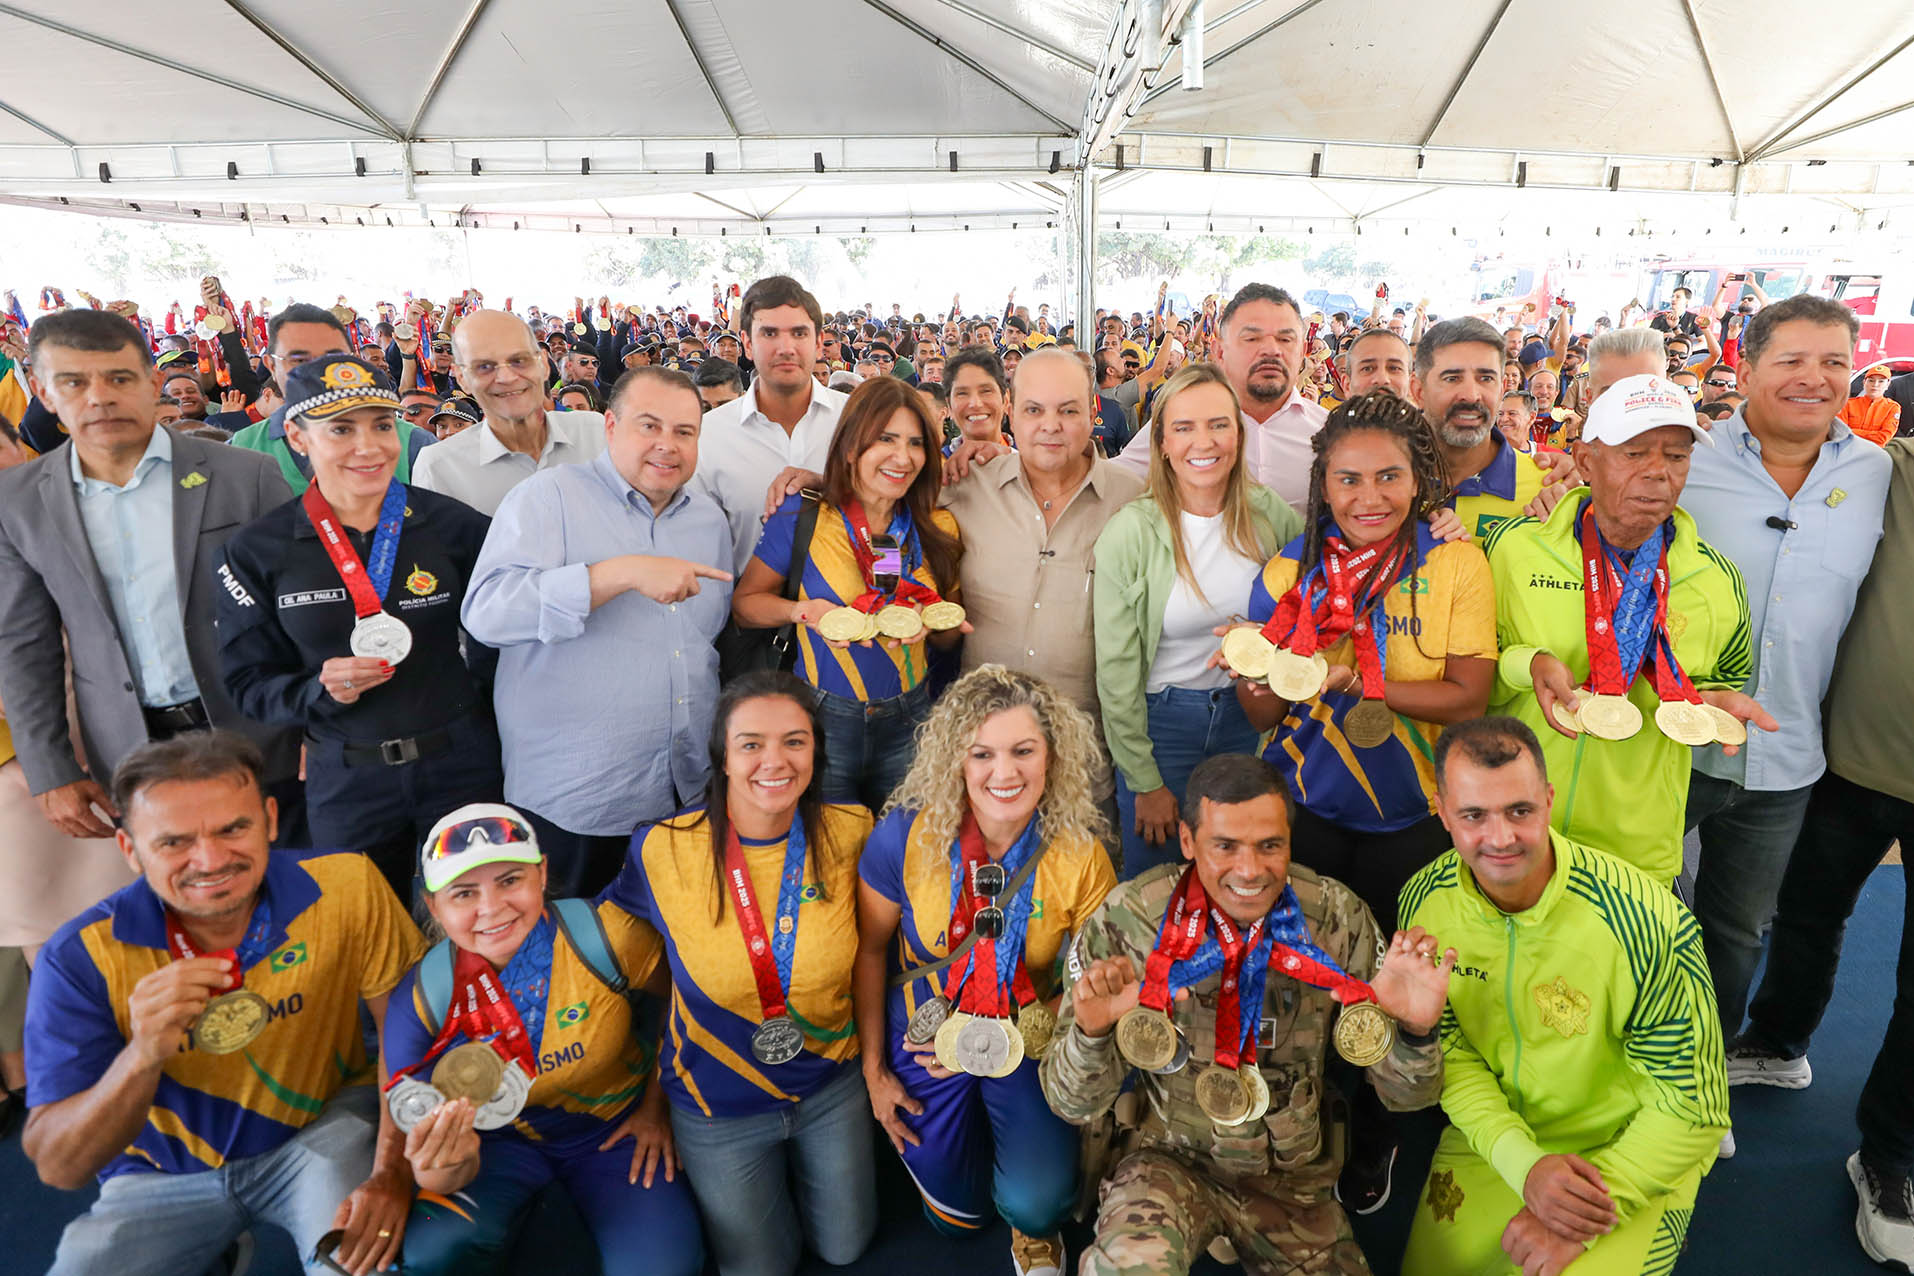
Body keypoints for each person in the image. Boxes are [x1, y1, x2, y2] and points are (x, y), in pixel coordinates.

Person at [22, 731, 425, 1276]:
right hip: (162, 1175)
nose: (210, 860)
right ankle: (210, 1246)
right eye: (174, 842)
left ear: (270, 820)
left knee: (364, 1268)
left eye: (233, 829)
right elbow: (59, 1167)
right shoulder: (79, 956)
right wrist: (141, 1054)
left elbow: (409, 1033)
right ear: (130, 851)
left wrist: (391, 1171)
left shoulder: (347, 885)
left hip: (322, 1130)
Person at [1041, 752, 1452, 1276]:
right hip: (1167, 1165)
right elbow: (1071, 1103)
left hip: (1292, 1179)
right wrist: (1092, 1033)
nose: (1250, 869)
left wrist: (1415, 1032)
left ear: (1290, 842)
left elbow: (1410, 1097)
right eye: (1225, 846)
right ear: (1187, 841)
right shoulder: (1131, 921)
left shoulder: (1336, 920)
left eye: (1269, 845)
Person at [1399, 716, 1730, 1276]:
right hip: (1499, 1133)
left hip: (1628, 1146)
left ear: (1548, 801)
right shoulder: (1422, 902)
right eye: (1474, 815)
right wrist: (1524, 1165)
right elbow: (1453, 1053)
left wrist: (1583, 1213)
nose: (1500, 838)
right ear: (1442, 811)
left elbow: (1694, 1107)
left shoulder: (1649, 923)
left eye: (1519, 811)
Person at [603, 671, 878, 1276]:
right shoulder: (663, 849)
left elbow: (882, 954)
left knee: (847, 1248)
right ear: (722, 759)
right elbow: (617, 968)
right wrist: (649, 1102)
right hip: (716, 1105)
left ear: (817, 752)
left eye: (795, 742)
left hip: (830, 1085)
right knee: (761, 1268)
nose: (774, 761)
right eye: (751, 744)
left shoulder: (855, 831)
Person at [1677, 294, 1889, 1058]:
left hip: (1786, 755)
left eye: (1833, 361)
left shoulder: (1877, 473)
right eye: (1791, 359)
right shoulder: (1686, 459)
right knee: (1634, 905)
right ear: (1745, 371)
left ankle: (1706, 1065)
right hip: (1670, 745)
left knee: (1738, 929)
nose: (1814, 377)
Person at [0, 308, 300, 845]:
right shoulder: (18, 501)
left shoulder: (245, 475)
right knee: (179, 889)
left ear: (152, 380)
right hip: (128, 748)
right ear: (43, 393)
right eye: (73, 383)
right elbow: (25, 643)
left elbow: (303, 606)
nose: (99, 398)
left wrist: (318, 728)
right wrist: (50, 769)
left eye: (119, 378)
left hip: (264, 735)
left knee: (295, 882)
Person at [854, 665, 1117, 1276]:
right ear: (957, 760)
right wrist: (873, 1072)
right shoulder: (906, 837)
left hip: (1028, 1030)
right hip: (923, 1030)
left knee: (1036, 1203)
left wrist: (1005, 1039)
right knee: (957, 1217)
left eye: (1024, 751)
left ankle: (1033, 1231)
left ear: (1052, 757)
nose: (1005, 772)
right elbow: (869, 953)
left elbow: (1093, 980)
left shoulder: (1081, 856)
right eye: (983, 754)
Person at [1724, 430, 1914, 1266]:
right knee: (1804, 912)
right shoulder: (1887, 469)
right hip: (1851, 757)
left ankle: (1890, 1156)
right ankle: (1777, 1041)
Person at [215, 354, 503, 898]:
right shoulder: (257, 550)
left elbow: (503, 635)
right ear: (297, 437)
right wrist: (315, 690)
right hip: (347, 779)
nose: (368, 446)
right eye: (341, 429)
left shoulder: (453, 525)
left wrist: (482, 712)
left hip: (462, 766)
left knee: (480, 915)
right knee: (363, 924)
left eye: (382, 425)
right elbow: (246, 683)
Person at [382, 803, 702, 1276]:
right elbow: (434, 1163)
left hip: (614, 1130)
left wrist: (658, 1107)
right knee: (432, 1253)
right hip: (496, 1146)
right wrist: (450, 1164)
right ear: (433, 906)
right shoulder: (422, 999)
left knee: (664, 1269)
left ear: (542, 873)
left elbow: (687, 999)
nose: (492, 908)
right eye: (464, 893)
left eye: (510, 880)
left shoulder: (603, 936)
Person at [1481, 374, 1773, 884]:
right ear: (1585, 460)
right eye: (1635, 453)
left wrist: (1710, 700)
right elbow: (1472, 667)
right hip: (1509, 829)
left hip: (1638, 847)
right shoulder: (1511, 549)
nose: (1658, 472)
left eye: (1677, 456)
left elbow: (1722, 678)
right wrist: (1527, 664)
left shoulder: (1717, 578)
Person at [463, 367, 733, 898]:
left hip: (685, 793)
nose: (667, 444)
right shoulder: (548, 498)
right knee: (576, 942)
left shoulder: (708, 520)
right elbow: (487, 614)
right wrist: (615, 574)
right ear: (610, 426)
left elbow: (702, 641)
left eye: (684, 431)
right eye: (649, 426)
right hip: (579, 800)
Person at [1237, 391, 1496, 933]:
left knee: (1398, 966)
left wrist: (1357, 685)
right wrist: (1256, 669)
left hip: (1420, 814)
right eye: (1349, 479)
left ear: (1418, 480)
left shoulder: (1456, 563)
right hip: (1302, 807)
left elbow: (1469, 701)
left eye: (1389, 477)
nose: (1369, 498)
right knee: (1306, 960)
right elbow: (1262, 716)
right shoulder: (1291, 570)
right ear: (1324, 486)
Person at [1094, 365, 1302, 878]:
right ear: (1162, 443)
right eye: (1184, 427)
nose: (1203, 442)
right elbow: (1115, 670)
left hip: (1250, 722)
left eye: (1218, 425)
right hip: (1161, 729)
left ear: (1239, 435)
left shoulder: (1269, 514)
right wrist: (1144, 781)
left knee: (1243, 876)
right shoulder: (1131, 532)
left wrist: (1431, 518)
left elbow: (1324, 582)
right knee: (1158, 884)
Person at [732, 376, 964, 810]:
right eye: (886, 439)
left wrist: (932, 620)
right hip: (822, 717)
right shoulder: (802, 514)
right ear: (852, 445)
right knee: (830, 841)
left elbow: (950, 638)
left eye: (916, 443)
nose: (903, 457)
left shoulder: (939, 527)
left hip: (913, 718)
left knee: (904, 842)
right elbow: (746, 606)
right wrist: (804, 611)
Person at [941, 349, 1147, 726]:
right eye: (1034, 410)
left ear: (1093, 413)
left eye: (1068, 410)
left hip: (1087, 741)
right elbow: (884, 508)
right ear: (1011, 411)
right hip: (982, 737)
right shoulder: (966, 484)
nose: (1050, 425)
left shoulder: (1132, 500)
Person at [1114, 285, 1329, 509]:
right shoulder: (1179, 419)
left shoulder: (1327, 431)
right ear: (1219, 352)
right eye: (1252, 338)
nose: (1271, 350)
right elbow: (1115, 481)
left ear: (1302, 351)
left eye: (1285, 339)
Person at [695, 276, 849, 577]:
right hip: (742, 602)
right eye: (769, 333)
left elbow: (895, 518)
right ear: (747, 344)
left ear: (819, 343)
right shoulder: (708, 435)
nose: (786, 348)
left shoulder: (858, 419)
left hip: (853, 604)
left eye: (799, 333)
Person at [411, 310, 608, 516]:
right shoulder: (437, 468)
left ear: (543, 364)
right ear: (461, 378)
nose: (506, 377)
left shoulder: (596, 433)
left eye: (519, 360)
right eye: (484, 366)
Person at [229, 304, 435, 493]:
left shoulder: (413, 444)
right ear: (272, 366)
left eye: (333, 359)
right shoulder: (241, 450)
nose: (319, 372)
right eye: (299, 360)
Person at [1413, 318, 1560, 541]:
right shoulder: (1379, 480)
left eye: (1486, 378)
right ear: (1418, 391)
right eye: (1452, 378)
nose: (1471, 395)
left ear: (1501, 390)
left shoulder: (1546, 489)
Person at [1841, 363, 1902, 446]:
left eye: (1881, 381)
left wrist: (1851, 432)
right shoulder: (1848, 404)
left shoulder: (1892, 408)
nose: (1875, 385)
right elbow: (1840, 433)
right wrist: (1872, 435)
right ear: (1864, 383)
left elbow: (1883, 438)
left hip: (1874, 452)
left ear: (1887, 385)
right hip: (1847, 450)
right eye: (1871, 380)